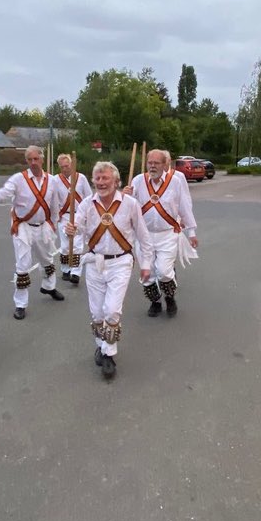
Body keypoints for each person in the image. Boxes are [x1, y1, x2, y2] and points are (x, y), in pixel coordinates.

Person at [65, 161, 154, 379]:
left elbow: (143, 236)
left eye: (105, 178)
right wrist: (72, 229)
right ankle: (101, 345)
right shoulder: (86, 204)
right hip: (94, 262)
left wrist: (146, 264)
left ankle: (108, 354)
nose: (101, 182)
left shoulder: (130, 204)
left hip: (120, 262)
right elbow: (79, 228)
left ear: (116, 181)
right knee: (97, 312)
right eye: (97, 178)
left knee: (112, 310)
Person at [0, 146, 66, 320]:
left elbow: (54, 204)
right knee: (23, 264)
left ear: (42, 159)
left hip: (43, 226)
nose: (33, 162)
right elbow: (3, 194)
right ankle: (20, 304)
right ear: (26, 161)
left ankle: (49, 287)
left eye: (36, 159)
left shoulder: (52, 181)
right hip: (22, 226)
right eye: (30, 159)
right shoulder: (18, 179)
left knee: (47, 259)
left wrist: (53, 223)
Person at [125, 149, 197, 318]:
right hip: (144, 236)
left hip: (167, 234)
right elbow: (128, 208)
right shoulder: (138, 181)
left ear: (165, 165)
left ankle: (170, 298)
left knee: (164, 271)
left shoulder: (175, 182)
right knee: (148, 273)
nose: (152, 166)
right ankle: (155, 302)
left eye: (156, 163)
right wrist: (124, 196)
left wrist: (191, 232)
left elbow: (184, 206)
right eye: (150, 163)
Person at [55, 152, 93, 286]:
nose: (65, 169)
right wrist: (56, 214)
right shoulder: (55, 180)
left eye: (67, 166)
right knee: (65, 245)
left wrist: (88, 214)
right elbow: (53, 199)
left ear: (71, 165)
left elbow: (89, 196)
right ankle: (66, 269)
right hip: (64, 215)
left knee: (77, 244)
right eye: (62, 167)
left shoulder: (80, 178)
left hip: (79, 215)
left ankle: (76, 272)